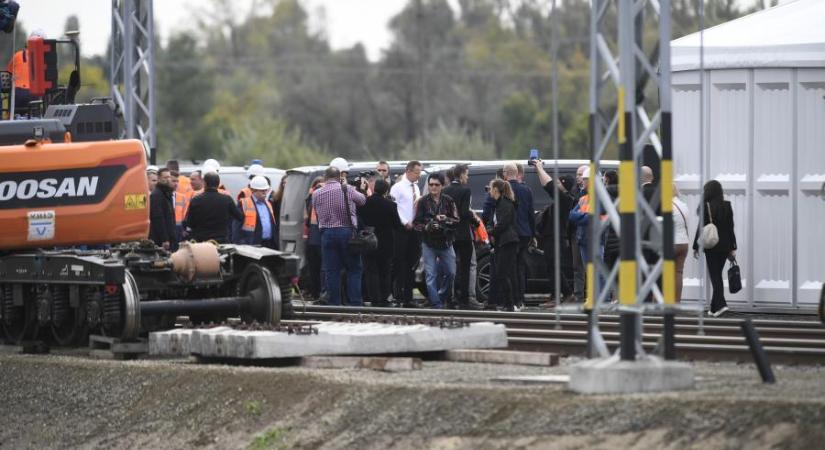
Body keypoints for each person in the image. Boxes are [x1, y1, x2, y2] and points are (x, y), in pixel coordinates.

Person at [312, 166, 367, 306]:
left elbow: (316, 210)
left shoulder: (316, 193)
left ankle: (334, 303)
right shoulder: (347, 189)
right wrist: (361, 189)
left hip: (327, 234)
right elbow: (362, 201)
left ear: (325, 178)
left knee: (332, 271)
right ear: (339, 177)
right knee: (354, 269)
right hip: (346, 232)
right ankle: (355, 303)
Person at [414, 173, 459, 309]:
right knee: (430, 275)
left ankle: (441, 295)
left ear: (442, 186)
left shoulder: (448, 201)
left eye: (436, 185)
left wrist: (446, 219)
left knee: (451, 273)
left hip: (446, 242)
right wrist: (428, 225)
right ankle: (436, 304)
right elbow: (416, 223)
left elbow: (457, 220)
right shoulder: (422, 201)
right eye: (431, 184)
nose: (433, 187)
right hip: (429, 243)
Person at [534, 160, 576, 304]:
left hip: (556, 238)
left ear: (565, 186)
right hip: (550, 237)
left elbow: (549, 185)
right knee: (550, 267)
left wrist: (539, 167)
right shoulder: (560, 199)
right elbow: (548, 186)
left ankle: (568, 293)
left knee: (554, 267)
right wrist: (538, 169)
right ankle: (555, 295)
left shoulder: (565, 199)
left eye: (560, 183)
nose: (557, 184)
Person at [693, 180, 737, 317]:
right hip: (725, 247)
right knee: (717, 274)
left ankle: (722, 305)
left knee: (715, 276)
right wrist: (733, 247)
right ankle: (713, 308)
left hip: (711, 247)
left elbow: (700, 228)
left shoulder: (706, 207)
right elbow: (731, 228)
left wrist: (696, 246)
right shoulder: (727, 205)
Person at [443, 164, 483, 310]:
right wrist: (475, 219)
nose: (467, 177)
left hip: (450, 233)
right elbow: (464, 212)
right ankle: (464, 299)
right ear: (460, 175)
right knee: (466, 267)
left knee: (450, 267)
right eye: (466, 174)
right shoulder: (465, 190)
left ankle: (450, 298)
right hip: (464, 234)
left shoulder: (445, 190)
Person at [359, 179, 403, 307]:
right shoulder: (391, 205)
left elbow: (360, 219)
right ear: (386, 191)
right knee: (385, 271)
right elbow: (397, 225)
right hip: (386, 243)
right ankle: (384, 298)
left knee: (371, 271)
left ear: (374, 189)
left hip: (368, 241)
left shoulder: (365, 202)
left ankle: (374, 298)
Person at [389, 160, 423, 308]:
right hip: (401, 230)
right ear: (408, 171)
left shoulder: (416, 187)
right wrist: (404, 222)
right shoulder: (397, 187)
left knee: (411, 264)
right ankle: (396, 294)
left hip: (414, 230)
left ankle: (408, 297)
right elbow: (394, 208)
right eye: (417, 172)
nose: (419, 176)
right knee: (398, 263)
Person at [502, 163, 535, 310]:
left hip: (508, 234)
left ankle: (510, 300)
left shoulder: (503, 189)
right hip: (524, 233)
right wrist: (533, 234)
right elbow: (530, 214)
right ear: (516, 174)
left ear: (505, 174)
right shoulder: (526, 190)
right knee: (520, 267)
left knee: (508, 267)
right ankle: (521, 299)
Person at [184, 172, 244, 243]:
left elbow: (189, 223)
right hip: (221, 241)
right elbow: (240, 217)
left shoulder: (196, 200)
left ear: (204, 183)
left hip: (201, 242)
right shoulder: (227, 200)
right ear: (218, 184)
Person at [487, 179, 520, 312]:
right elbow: (493, 222)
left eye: (491, 188)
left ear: (495, 189)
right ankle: (509, 303)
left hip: (508, 241)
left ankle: (510, 304)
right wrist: (490, 229)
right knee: (504, 273)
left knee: (502, 273)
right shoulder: (498, 204)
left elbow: (502, 224)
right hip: (503, 242)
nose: (489, 191)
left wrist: (490, 232)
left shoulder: (505, 204)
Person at [237, 176, 278, 248]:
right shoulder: (243, 204)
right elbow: (236, 227)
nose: (265, 193)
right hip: (252, 245)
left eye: (266, 190)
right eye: (262, 190)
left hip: (269, 244)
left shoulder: (268, 204)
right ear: (253, 190)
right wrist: (239, 244)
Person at [303, 177, 325, 300]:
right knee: (322, 268)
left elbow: (307, 220)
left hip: (313, 237)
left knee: (314, 268)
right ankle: (320, 293)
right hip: (321, 237)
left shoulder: (311, 196)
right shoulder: (327, 193)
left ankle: (316, 293)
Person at [571, 164, 589, 299]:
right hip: (577, 234)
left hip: (592, 234)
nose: (579, 178)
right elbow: (572, 215)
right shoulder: (576, 193)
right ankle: (578, 294)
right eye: (577, 175)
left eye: (582, 175)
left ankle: (592, 293)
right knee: (577, 266)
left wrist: (581, 217)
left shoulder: (593, 193)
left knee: (592, 266)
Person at [149, 168, 176, 250]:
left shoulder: (167, 193)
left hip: (170, 235)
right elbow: (158, 218)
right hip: (160, 239)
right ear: (159, 179)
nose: (168, 180)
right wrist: (164, 239)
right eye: (165, 178)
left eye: (169, 177)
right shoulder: (156, 195)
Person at [672, 184, 690, 302]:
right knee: (678, 272)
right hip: (684, 243)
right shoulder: (684, 205)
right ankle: (676, 302)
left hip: (672, 243)